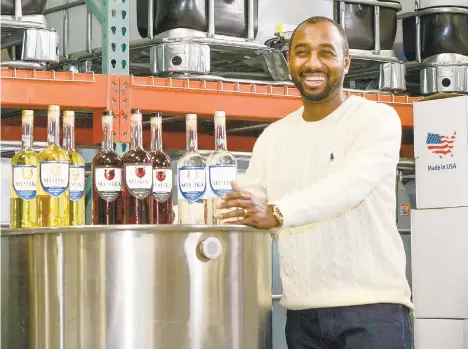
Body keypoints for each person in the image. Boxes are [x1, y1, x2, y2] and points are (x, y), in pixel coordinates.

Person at [217, 16, 414, 349]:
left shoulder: (375, 120)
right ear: (289, 61)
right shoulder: (273, 138)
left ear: (346, 62)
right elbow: (244, 207)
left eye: (326, 52)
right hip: (303, 318)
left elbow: (348, 186)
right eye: (302, 52)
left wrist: (277, 213)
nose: (312, 63)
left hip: (373, 315)